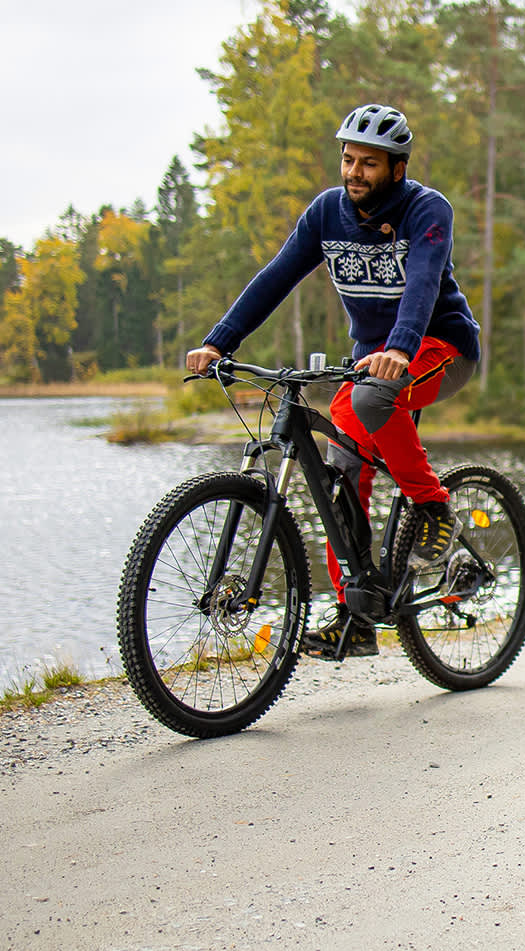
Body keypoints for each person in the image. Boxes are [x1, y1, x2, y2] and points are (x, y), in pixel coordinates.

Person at [187, 103, 481, 660]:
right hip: (373, 360)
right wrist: (220, 340)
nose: (354, 172)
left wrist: (399, 347)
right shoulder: (327, 213)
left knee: (370, 401)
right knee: (339, 477)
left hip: (438, 347)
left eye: (369, 163)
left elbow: (421, 285)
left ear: (396, 168)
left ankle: (434, 506)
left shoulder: (427, 210)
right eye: (349, 159)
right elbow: (276, 275)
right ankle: (358, 614)